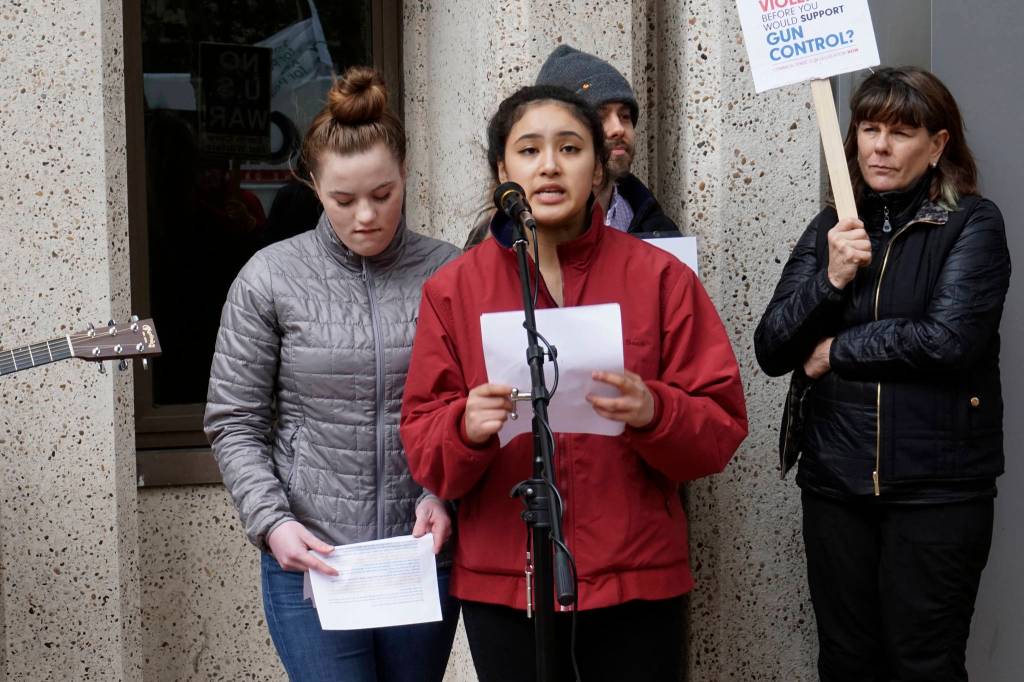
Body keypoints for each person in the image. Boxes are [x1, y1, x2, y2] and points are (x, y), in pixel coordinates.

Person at [400, 85, 747, 681]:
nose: (550, 166)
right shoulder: (453, 289)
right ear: (503, 170)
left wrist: (654, 411)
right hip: (507, 587)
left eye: (570, 148)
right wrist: (463, 428)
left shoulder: (660, 277)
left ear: (598, 166)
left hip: (633, 581)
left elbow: (720, 428)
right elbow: (425, 448)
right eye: (529, 151)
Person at [204, 66, 461, 682]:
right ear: (313, 184)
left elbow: (472, 406)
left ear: (405, 178)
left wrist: (444, 494)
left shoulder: (450, 272)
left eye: (384, 194)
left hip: (419, 548)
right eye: (343, 200)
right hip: (310, 556)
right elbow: (234, 420)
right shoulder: (269, 277)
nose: (366, 216)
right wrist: (272, 523)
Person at [754, 66, 1011, 681]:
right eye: (869, 128)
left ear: (938, 145)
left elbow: (947, 340)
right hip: (836, 487)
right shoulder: (831, 232)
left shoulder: (972, 224)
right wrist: (833, 277)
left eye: (901, 131)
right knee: (846, 662)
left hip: (937, 491)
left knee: (923, 663)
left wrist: (835, 351)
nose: (879, 146)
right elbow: (770, 346)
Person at [536, 44, 680, 236]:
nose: (618, 129)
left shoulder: (658, 228)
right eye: (599, 116)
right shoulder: (514, 237)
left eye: (625, 116)